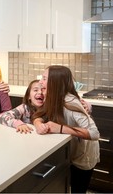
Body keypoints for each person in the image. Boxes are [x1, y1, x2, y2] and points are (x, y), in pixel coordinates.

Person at [32, 65, 100, 193]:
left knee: (78, 190)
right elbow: (39, 115)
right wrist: (38, 123)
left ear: (55, 82)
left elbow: (94, 133)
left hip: (84, 156)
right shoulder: (53, 97)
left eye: (44, 78)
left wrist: (61, 128)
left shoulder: (70, 102)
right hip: (72, 153)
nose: (40, 81)